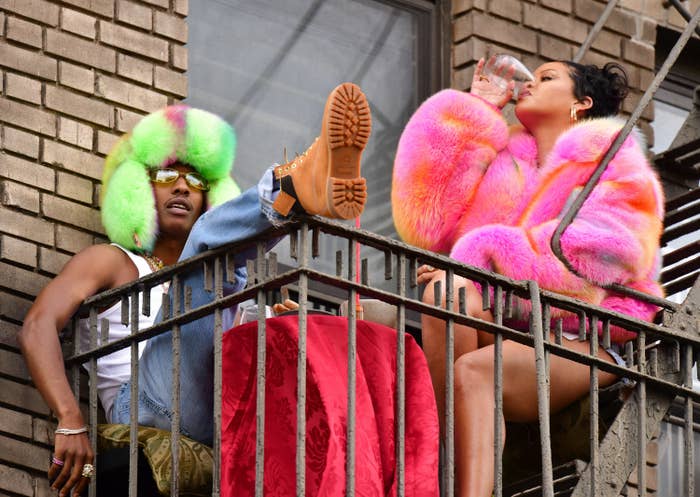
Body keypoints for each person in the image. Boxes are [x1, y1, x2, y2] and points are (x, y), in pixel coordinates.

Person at [18, 82, 372, 497]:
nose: (182, 187)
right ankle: (292, 191)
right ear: (139, 188)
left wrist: (296, 330)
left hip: (218, 412)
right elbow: (37, 326)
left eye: (196, 180)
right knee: (209, 261)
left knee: (246, 299)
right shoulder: (112, 261)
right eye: (167, 174)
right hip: (146, 410)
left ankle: (299, 193)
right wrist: (70, 418)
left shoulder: (218, 283)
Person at [391, 58, 664, 496]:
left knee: (476, 368)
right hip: (502, 323)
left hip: (585, 338)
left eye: (547, 78)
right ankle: (442, 476)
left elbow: (605, 256)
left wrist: (482, 253)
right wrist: (475, 112)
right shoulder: (507, 160)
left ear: (582, 103)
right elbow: (427, 223)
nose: (528, 83)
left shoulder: (616, 162)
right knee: (447, 291)